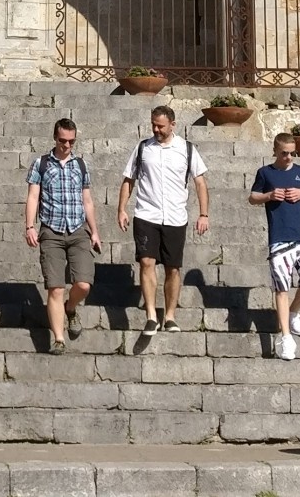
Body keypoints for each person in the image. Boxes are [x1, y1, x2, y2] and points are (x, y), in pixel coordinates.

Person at [115, 105, 209, 334]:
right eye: (153, 125)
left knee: (173, 268)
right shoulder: (143, 148)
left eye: (161, 126)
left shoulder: (186, 149)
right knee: (146, 262)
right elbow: (129, 179)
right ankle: (150, 315)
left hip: (176, 217)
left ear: (172, 125)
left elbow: (200, 182)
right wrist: (122, 209)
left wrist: (204, 214)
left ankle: (169, 316)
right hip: (147, 214)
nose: (156, 129)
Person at [24, 117, 101, 354]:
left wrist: (95, 231)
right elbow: (33, 197)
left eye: (71, 141)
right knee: (55, 287)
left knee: (84, 284)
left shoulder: (81, 165)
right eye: (62, 140)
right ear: (54, 137)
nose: (66, 145)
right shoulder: (41, 164)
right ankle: (59, 338)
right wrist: (29, 226)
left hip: (78, 230)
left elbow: (87, 200)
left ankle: (71, 307)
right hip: (51, 230)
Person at [249, 133, 300, 359]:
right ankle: (286, 337)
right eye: (284, 153)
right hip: (279, 238)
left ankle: (293, 312)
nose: (288, 157)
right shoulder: (265, 172)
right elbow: (252, 197)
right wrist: (269, 195)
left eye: (292, 153)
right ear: (275, 151)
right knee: (281, 287)